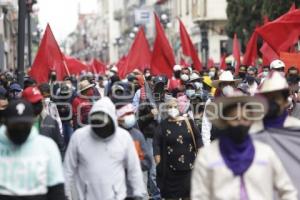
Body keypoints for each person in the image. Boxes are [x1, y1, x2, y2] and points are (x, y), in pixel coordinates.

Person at [191, 90, 297, 200]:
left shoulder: (265, 153)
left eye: (246, 118)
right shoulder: (207, 156)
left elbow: (287, 190)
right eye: (235, 118)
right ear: (224, 121)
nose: (241, 122)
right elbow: (199, 195)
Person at [64, 97, 146, 200]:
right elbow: (68, 170)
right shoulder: (79, 137)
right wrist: (64, 195)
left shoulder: (123, 137)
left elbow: (134, 169)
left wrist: (139, 193)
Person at [0, 99, 65, 200]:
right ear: (5, 122)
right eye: (15, 125)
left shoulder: (48, 147)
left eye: (24, 125)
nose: (20, 129)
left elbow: (57, 191)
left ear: (33, 122)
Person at [252, 71, 300, 198]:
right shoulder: (251, 132)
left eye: (276, 98)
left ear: (285, 101)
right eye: (268, 98)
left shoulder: (296, 130)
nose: (271, 102)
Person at [154, 98, 202, 200]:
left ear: (178, 108)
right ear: (166, 109)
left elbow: (198, 138)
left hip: (189, 170)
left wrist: (202, 156)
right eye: (169, 107)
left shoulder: (188, 121)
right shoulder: (163, 125)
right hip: (170, 173)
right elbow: (156, 145)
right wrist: (159, 164)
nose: (172, 109)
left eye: (174, 107)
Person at [22, 86, 66, 158]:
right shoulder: (16, 124)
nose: (37, 105)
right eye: (34, 103)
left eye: (39, 101)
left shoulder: (51, 122)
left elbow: (61, 147)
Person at [201, 71, 241, 145]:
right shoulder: (211, 101)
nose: (228, 86)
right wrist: (207, 146)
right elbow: (206, 125)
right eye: (225, 84)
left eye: (230, 84)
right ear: (220, 86)